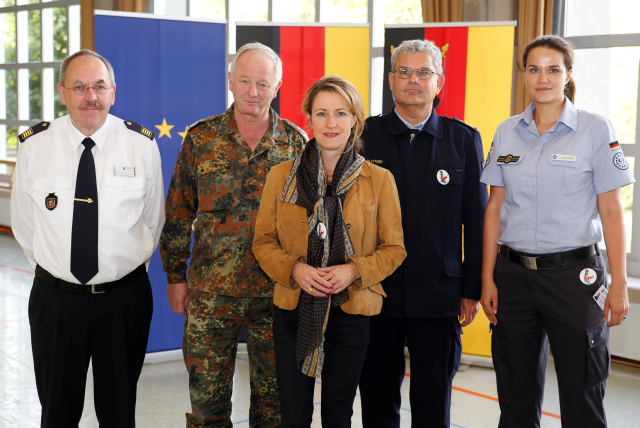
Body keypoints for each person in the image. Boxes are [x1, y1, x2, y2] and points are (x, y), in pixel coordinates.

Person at [480, 35, 633, 427]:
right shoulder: (507, 131)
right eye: (534, 69)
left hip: (574, 279)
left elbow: (612, 211)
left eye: (553, 69)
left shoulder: (595, 129)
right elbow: (494, 208)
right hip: (513, 278)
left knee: (582, 394)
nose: (542, 78)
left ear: (568, 75)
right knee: (515, 396)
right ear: (524, 75)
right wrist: (487, 278)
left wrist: (618, 282)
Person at [10, 49, 164, 427]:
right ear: (62, 92)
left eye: (99, 86)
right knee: (57, 412)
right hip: (56, 302)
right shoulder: (34, 146)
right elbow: (24, 225)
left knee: (119, 412)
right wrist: (58, 274)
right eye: (79, 87)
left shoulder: (141, 145)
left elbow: (153, 220)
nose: (90, 96)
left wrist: (119, 272)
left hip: (123, 301)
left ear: (113, 92)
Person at [160, 42, 308, 427]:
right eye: (244, 81)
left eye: (263, 83)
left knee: (274, 411)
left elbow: (308, 223)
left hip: (276, 295)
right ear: (230, 80)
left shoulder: (296, 144)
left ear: (277, 86)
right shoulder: (201, 139)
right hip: (211, 295)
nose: (252, 92)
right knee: (207, 409)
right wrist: (175, 276)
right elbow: (178, 211)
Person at [252, 75, 406, 427]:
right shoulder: (281, 176)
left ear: (355, 119)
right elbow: (263, 242)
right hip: (294, 307)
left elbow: (394, 249)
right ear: (309, 118)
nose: (331, 123)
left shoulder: (379, 180)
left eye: (340, 113)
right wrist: (295, 268)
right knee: (294, 415)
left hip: (351, 309)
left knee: (338, 414)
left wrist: (354, 270)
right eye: (321, 113)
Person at [358, 39, 488, 427]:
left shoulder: (462, 139)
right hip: (376, 292)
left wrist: (471, 289)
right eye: (404, 71)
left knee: (433, 404)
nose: (413, 80)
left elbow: (477, 220)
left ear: (439, 82)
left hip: (439, 294)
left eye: (423, 72)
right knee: (377, 401)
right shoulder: (365, 136)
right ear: (391, 80)